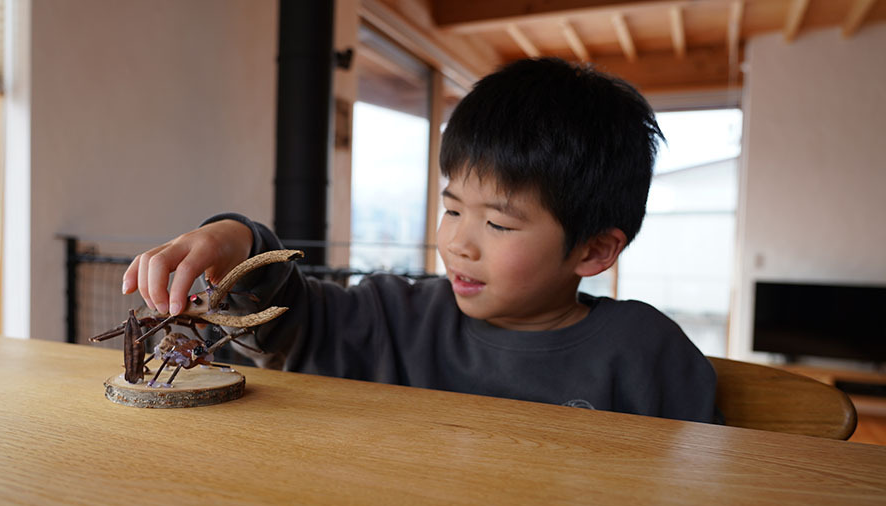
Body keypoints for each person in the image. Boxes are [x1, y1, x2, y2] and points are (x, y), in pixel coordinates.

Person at [122, 57, 720, 423]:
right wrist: (237, 241)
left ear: (593, 251)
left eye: (499, 223)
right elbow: (291, 321)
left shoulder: (645, 354)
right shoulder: (397, 316)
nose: (459, 241)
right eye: (452, 207)